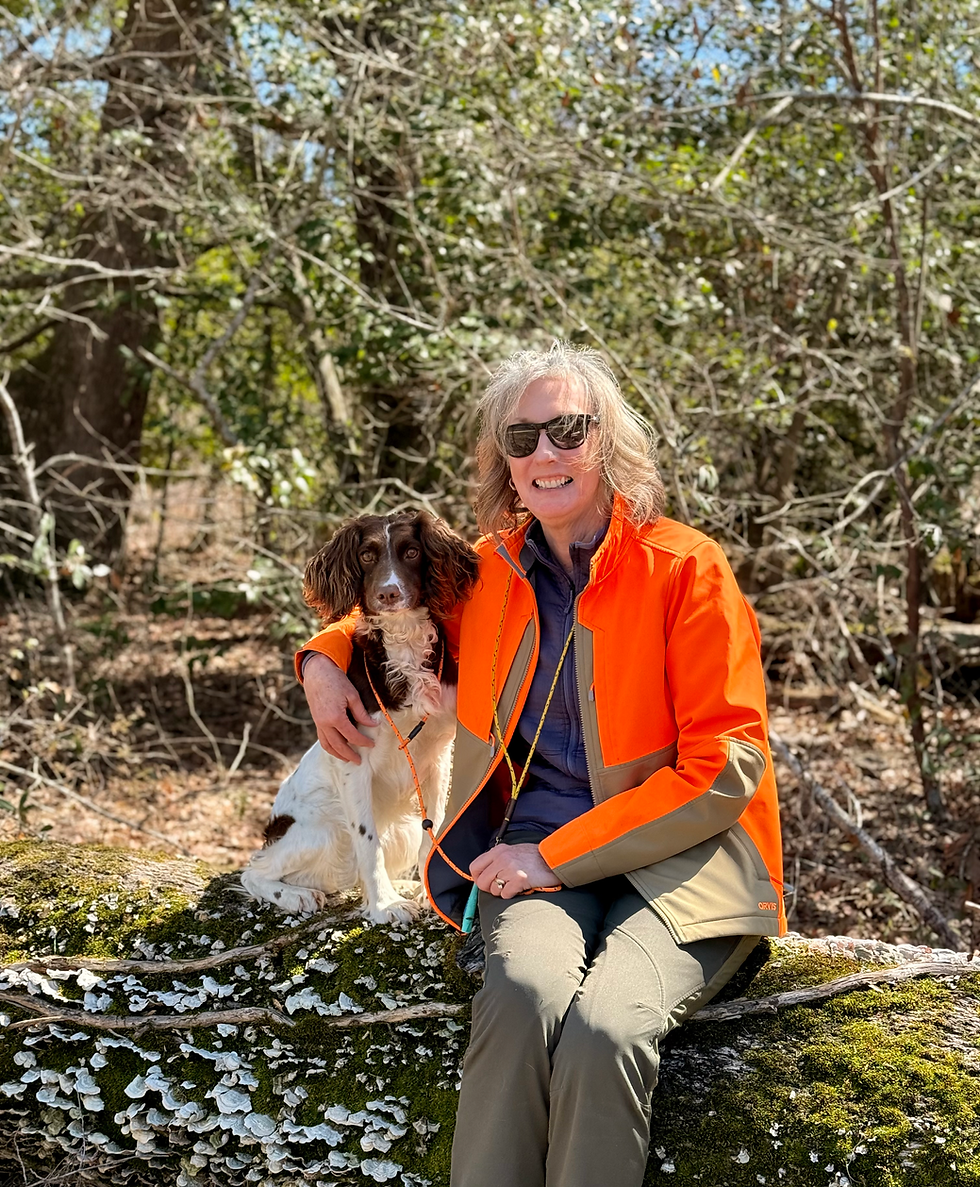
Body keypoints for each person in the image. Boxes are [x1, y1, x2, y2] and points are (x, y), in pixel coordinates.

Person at [297, 342, 785, 1187]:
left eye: (568, 429)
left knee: (605, 1028)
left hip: (683, 864)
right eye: (522, 440)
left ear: (608, 443)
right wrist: (320, 660)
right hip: (529, 849)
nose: (545, 454)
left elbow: (725, 768)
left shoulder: (686, 569)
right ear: (504, 465)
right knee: (521, 1002)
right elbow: (383, 606)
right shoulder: (488, 572)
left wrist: (553, 856)